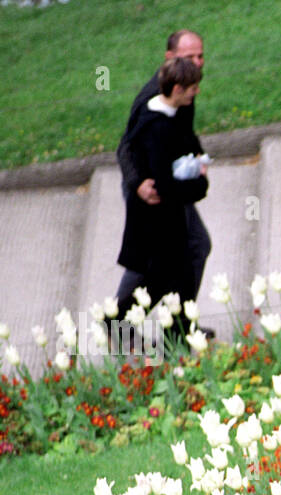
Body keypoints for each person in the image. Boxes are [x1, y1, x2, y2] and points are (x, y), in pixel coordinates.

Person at [115, 29, 211, 309]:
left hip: (169, 182)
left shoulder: (182, 89)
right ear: (169, 58)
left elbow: (185, 133)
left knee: (189, 251)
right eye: (189, 56)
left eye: (200, 55)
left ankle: (179, 328)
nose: (197, 62)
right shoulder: (153, 100)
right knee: (151, 263)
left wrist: (199, 156)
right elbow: (126, 147)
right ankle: (117, 322)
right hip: (151, 187)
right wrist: (137, 183)